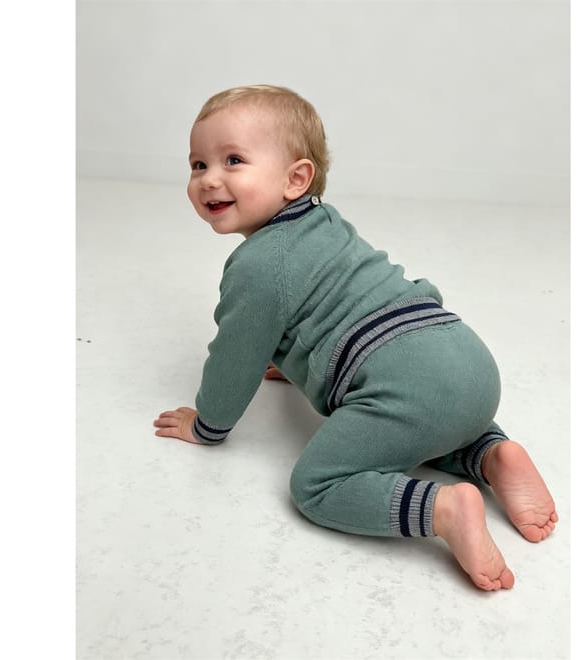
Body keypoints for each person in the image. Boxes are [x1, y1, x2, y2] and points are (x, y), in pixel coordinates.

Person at [153, 84, 557, 591]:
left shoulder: (256, 266)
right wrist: (291, 362)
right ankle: (492, 454)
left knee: (316, 484)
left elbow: (236, 356)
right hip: (467, 361)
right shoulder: (325, 223)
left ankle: (443, 508)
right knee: (425, 422)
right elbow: (335, 304)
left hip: (413, 387)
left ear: (296, 179)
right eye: (198, 165)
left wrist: (207, 424)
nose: (209, 180)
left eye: (233, 160)